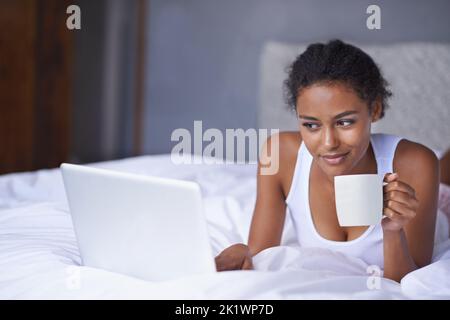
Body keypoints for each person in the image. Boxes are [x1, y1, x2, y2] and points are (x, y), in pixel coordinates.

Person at [214, 39, 441, 282]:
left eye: (345, 122)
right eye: (311, 125)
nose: (329, 143)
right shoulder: (278, 154)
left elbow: (411, 283)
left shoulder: (416, 164)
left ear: (374, 109)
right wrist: (243, 252)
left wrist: (393, 231)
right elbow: (261, 253)